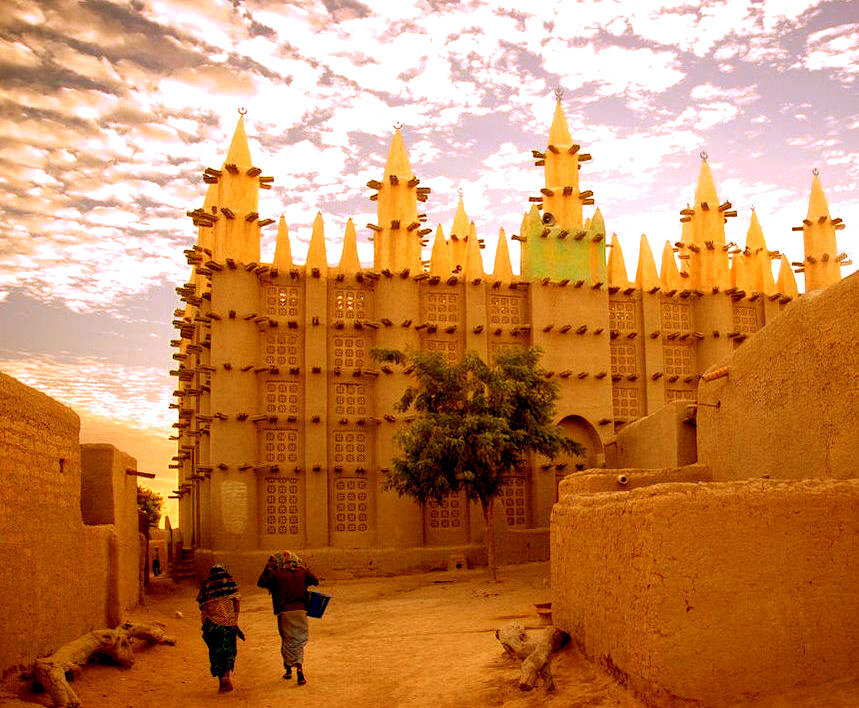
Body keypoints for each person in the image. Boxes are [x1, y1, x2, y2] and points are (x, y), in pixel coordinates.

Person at [257, 551, 319, 685]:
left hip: (284, 612)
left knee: (287, 639)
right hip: (301, 610)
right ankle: (299, 668)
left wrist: (268, 567)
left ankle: (289, 669)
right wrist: (304, 567)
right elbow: (315, 581)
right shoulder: (302, 573)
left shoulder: (277, 574)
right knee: (297, 641)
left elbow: (261, 582)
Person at [196, 564, 244, 692]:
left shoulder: (207, 585)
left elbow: (204, 609)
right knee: (229, 651)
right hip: (229, 626)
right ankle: (226, 676)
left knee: (216, 652)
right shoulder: (230, 584)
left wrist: (205, 624)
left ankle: (221, 680)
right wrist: (234, 619)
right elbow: (237, 606)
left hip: (213, 626)